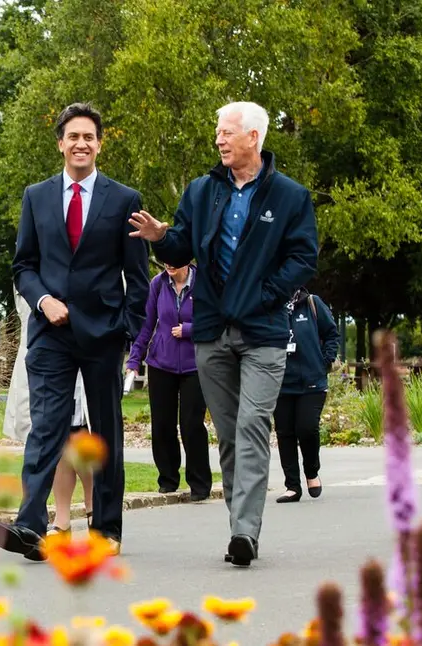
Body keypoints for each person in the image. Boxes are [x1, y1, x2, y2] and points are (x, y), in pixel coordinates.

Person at [128, 101, 318, 567]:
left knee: (253, 424)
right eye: (217, 132)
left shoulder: (290, 197)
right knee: (231, 433)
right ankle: (241, 526)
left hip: (263, 332)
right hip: (211, 332)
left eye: (227, 132)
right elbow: (181, 246)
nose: (219, 139)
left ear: (253, 137)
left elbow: (303, 258)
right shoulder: (201, 191)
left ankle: (245, 533)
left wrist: (268, 294)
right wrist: (160, 236)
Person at [0, 102, 149, 559]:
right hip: (50, 334)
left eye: (89, 137)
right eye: (73, 136)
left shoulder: (123, 200)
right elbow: (24, 266)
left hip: (103, 334)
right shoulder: (36, 197)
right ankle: (31, 527)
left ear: (99, 145)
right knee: (47, 427)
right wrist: (42, 299)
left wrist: (128, 333)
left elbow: (137, 277)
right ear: (60, 143)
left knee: (105, 433)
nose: (81, 144)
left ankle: (107, 528)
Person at [2, 288, 94, 534]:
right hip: (40, 354)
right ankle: (61, 518)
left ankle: (93, 507)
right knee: (55, 440)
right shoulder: (28, 269)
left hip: (79, 351)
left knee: (79, 435)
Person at [125, 261, 211, 500]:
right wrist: (134, 360)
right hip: (161, 362)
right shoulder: (158, 284)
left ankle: (200, 483)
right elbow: (146, 324)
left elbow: (217, 319)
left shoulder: (204, 282)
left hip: (195, 364)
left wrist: (189, 330)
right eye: (165, 260)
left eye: (174, 259)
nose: (169, 265)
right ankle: (168, 479)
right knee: (162, 425)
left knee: (191, 424)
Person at [274, 287, 340, 503]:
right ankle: (292, 485)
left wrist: (324, 361)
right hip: (280, 381)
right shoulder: (271, 304)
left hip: (312, 381)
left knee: (307, 427)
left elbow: (331, 333)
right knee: (285, 433)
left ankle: (311, 472)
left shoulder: (312, 303)